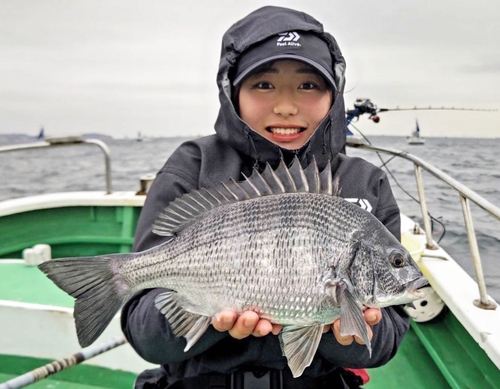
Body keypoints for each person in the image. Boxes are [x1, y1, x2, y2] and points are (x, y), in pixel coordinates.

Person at [122, 6, 409, 389]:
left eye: (308, 85)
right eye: (263, 84)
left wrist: (337, 331)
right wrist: (210, 314)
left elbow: (387, 339)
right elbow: (145, 334)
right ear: (232, 91)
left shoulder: (365, 183)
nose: (286, 106)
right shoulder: (193, 166)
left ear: (334, 95)